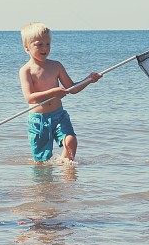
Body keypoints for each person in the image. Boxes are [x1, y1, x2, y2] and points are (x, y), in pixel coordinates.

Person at [19, 22, 101, 162]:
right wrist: (53, 92)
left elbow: (71, 88)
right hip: (39, 120)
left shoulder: (56, 66)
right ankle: (45, 183)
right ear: (27, 47)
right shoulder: (26, 70)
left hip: (59, 115)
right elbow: (30, 98)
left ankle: (67, 174)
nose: (45, 48)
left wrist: (88, 80)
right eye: (39, 44)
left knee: (71, 141)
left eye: (48, 44)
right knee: (42, 161)